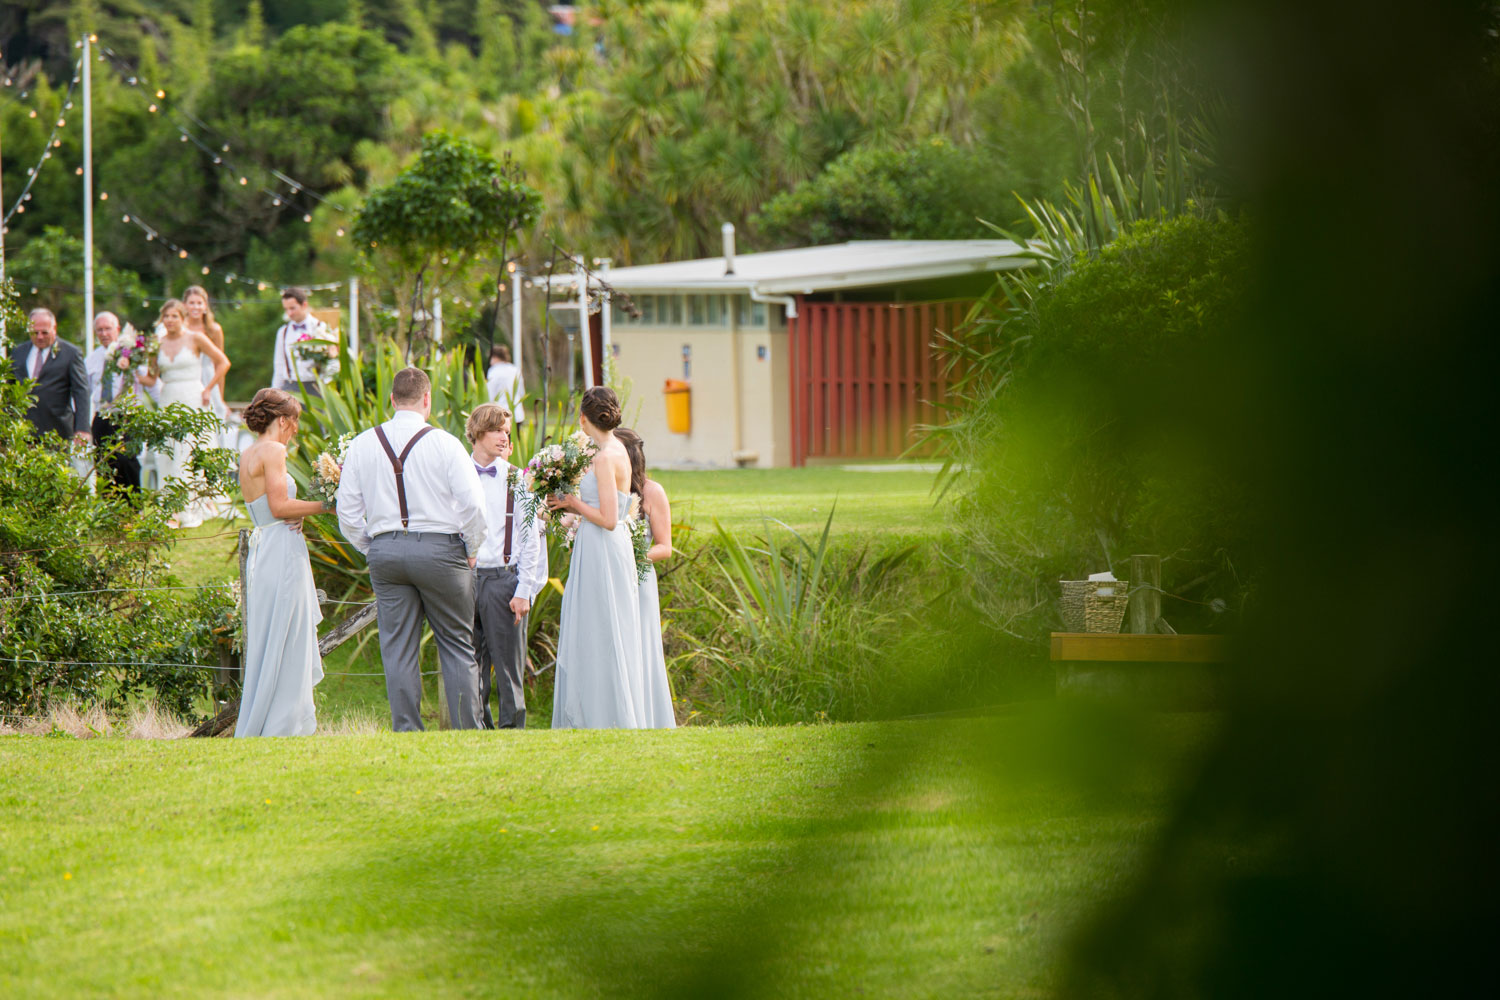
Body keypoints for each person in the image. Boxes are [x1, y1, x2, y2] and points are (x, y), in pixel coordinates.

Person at [336, 367, 489, 732]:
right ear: (426, 399)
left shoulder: (362, 443)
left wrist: (373, 547)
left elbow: (348, 513)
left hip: (386, 551)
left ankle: (407, 731)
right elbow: (474, 507)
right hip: (442, 552)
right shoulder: (446, 443)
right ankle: (468, 732)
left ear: (391, 400)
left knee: (398, 649)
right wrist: (472, 547)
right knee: (456, 644)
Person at [548, 386, 646, 729]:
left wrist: (572, 504)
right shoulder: (614, 448)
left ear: (584, 418)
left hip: (603, 548)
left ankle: (606, 715)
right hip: (602, 547)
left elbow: (607, 519)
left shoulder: (606, 457)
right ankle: (596, 710)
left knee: (601, 627)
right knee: (600, 625)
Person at [234, 388, 329, 737]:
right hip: (282, 549)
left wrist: (299, 511)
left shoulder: (248, 453)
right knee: (288, 634)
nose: (296, 430)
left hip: (266, 546)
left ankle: (269, 719)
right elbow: (280, 507)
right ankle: (283, 724)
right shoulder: (274, 450)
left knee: (273, 633)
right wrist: (326, 505)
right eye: (295, 422)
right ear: (284, 420)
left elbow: (267, 509)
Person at [467, 403, 548, 730]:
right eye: (497, 430)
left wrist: (524, 590)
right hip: (465, 579)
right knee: (470, 661)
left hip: (504, 580)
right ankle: (477, 727)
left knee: (509, 665)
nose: (504, 437)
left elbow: (531, 540)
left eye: (507, 432)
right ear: (477, 433)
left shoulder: (518, 479)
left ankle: (513, 731)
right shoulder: (456, 475)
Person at [136, 299, 231, 528]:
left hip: (192, 397)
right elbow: (151, 377)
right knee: (167, 451)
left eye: (174, 316)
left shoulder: (195, 338)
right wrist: (130, 369)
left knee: (187, 451)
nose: (170, 321)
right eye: (166, 317)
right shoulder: (157, 344)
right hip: (168, 399)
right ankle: (169, 504)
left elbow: (223, 362)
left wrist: (209, 389)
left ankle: (183, 508)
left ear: (182, 317)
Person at [615, 428, 678, 729]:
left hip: (638, 580)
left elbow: (665, 547)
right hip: (608, 580)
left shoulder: (653, 492)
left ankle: (648, 718)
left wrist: (629, 557)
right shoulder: (605, 490)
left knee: (641, 645)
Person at [10, 307, 90, 445]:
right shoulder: (18, 352)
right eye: (35, 332)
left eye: (44, 332)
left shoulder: (71, 353)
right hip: (22, 431)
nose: (40, 336)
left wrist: (82, 427)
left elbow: (81, 391)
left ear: (54, 328)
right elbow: (9, 389)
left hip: (56, 430)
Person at [83, 311, 141, 491]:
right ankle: (109, 510)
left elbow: (148, 382)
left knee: (126, 459)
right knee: (104, 462)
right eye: (99, 330)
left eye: (107, 329)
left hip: (127, 415)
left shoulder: (131, 353)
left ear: (117, 329)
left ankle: (133, 507)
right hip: (102, 415)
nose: (104, 334)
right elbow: (85, 391)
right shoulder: (91, 359)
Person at [271, 286, 333, 397]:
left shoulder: (320, 328)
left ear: (304, 305)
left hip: (316, 387)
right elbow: (279, 365)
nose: (289, 313)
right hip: (290, 387)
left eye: (292, 308)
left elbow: (330, 361)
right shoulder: (283, 332)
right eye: (286, 309)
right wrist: (274, 393)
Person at [486, 344, 525, 423]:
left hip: (500, 414)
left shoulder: (493, 371)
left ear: (495, 357)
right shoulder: (515, 369)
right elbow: (521, 392)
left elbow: (490, 393)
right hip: (517, 413)